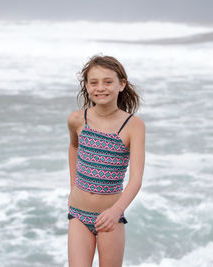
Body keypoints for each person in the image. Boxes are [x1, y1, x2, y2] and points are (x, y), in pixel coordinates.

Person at [67, 55, 145, 267]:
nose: (100, 87)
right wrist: (73, 186)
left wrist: (116, 211)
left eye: (108, 81)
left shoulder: (133, 126)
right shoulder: (77, 119)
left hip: (110, 217)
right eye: (94, 82)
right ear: (87, 86)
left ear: (122, 84)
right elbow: (74, 147)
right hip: (78, 214)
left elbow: (136, 179)